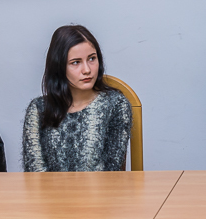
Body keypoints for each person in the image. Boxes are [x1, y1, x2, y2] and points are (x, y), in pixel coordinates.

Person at [22, 25, 132, 172]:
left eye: (92, 59)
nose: (87, 70)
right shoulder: (38, 109)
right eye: (75, 62)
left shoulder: (116, 105)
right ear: (59, 67)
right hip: (47, 188)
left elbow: (111, 170)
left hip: (101, 187)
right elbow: (34, 172)